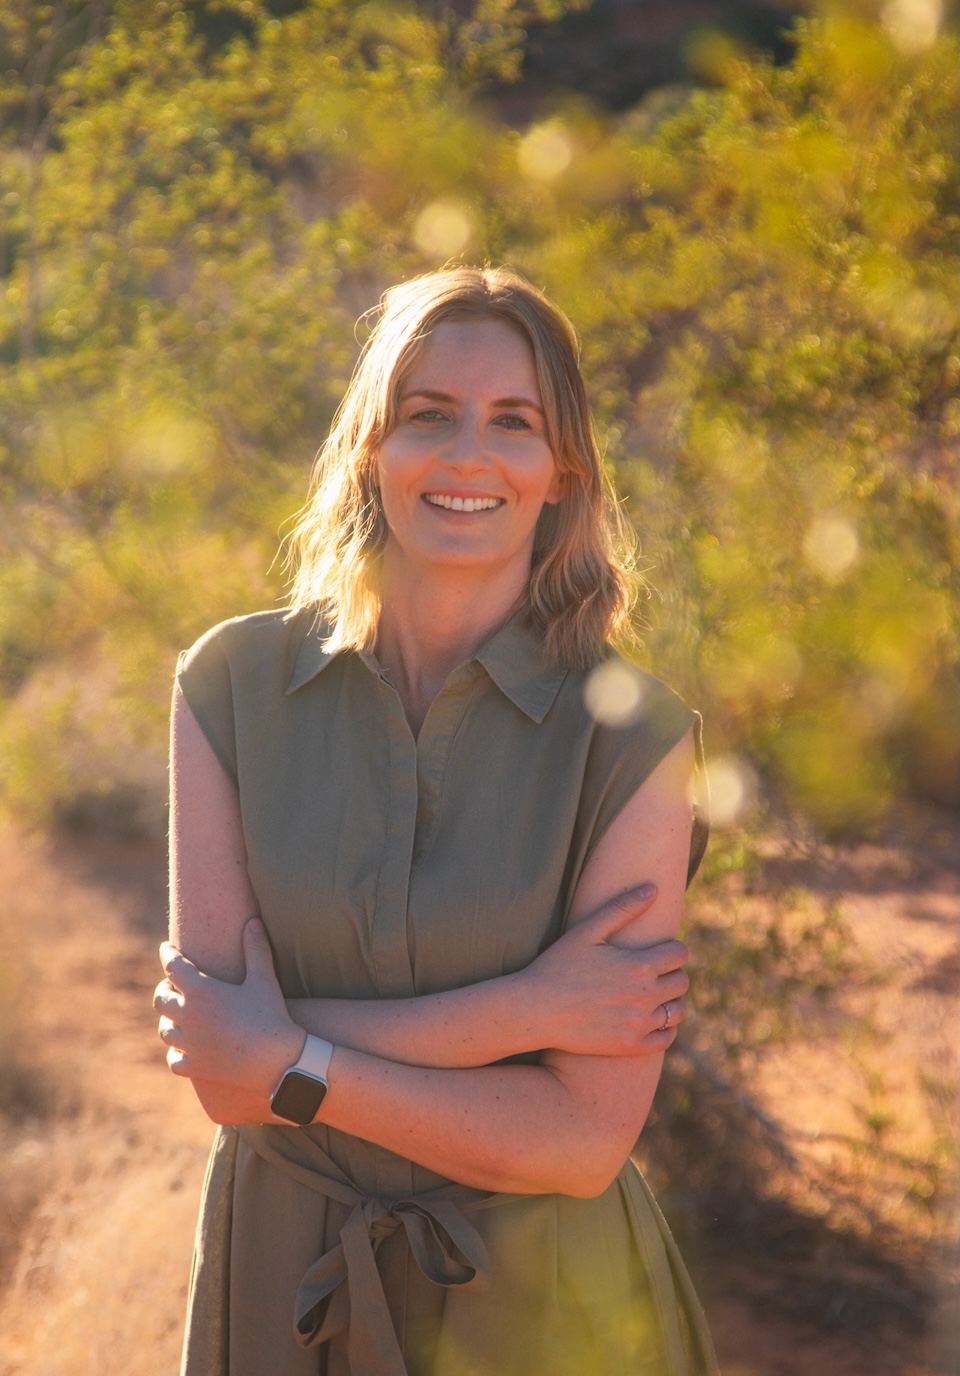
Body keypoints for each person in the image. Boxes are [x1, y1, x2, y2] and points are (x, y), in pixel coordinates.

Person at [154, 266, 717, 1376]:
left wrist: (292, 1057)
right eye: (428, 417)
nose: (468, 455)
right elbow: (221, 1079)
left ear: (563, 471)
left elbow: (581, 1141)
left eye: (514, 422)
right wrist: (522, 1009)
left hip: (549, 1302)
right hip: (285, 1278)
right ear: (373, 448)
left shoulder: (638, 739)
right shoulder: (227, 686)